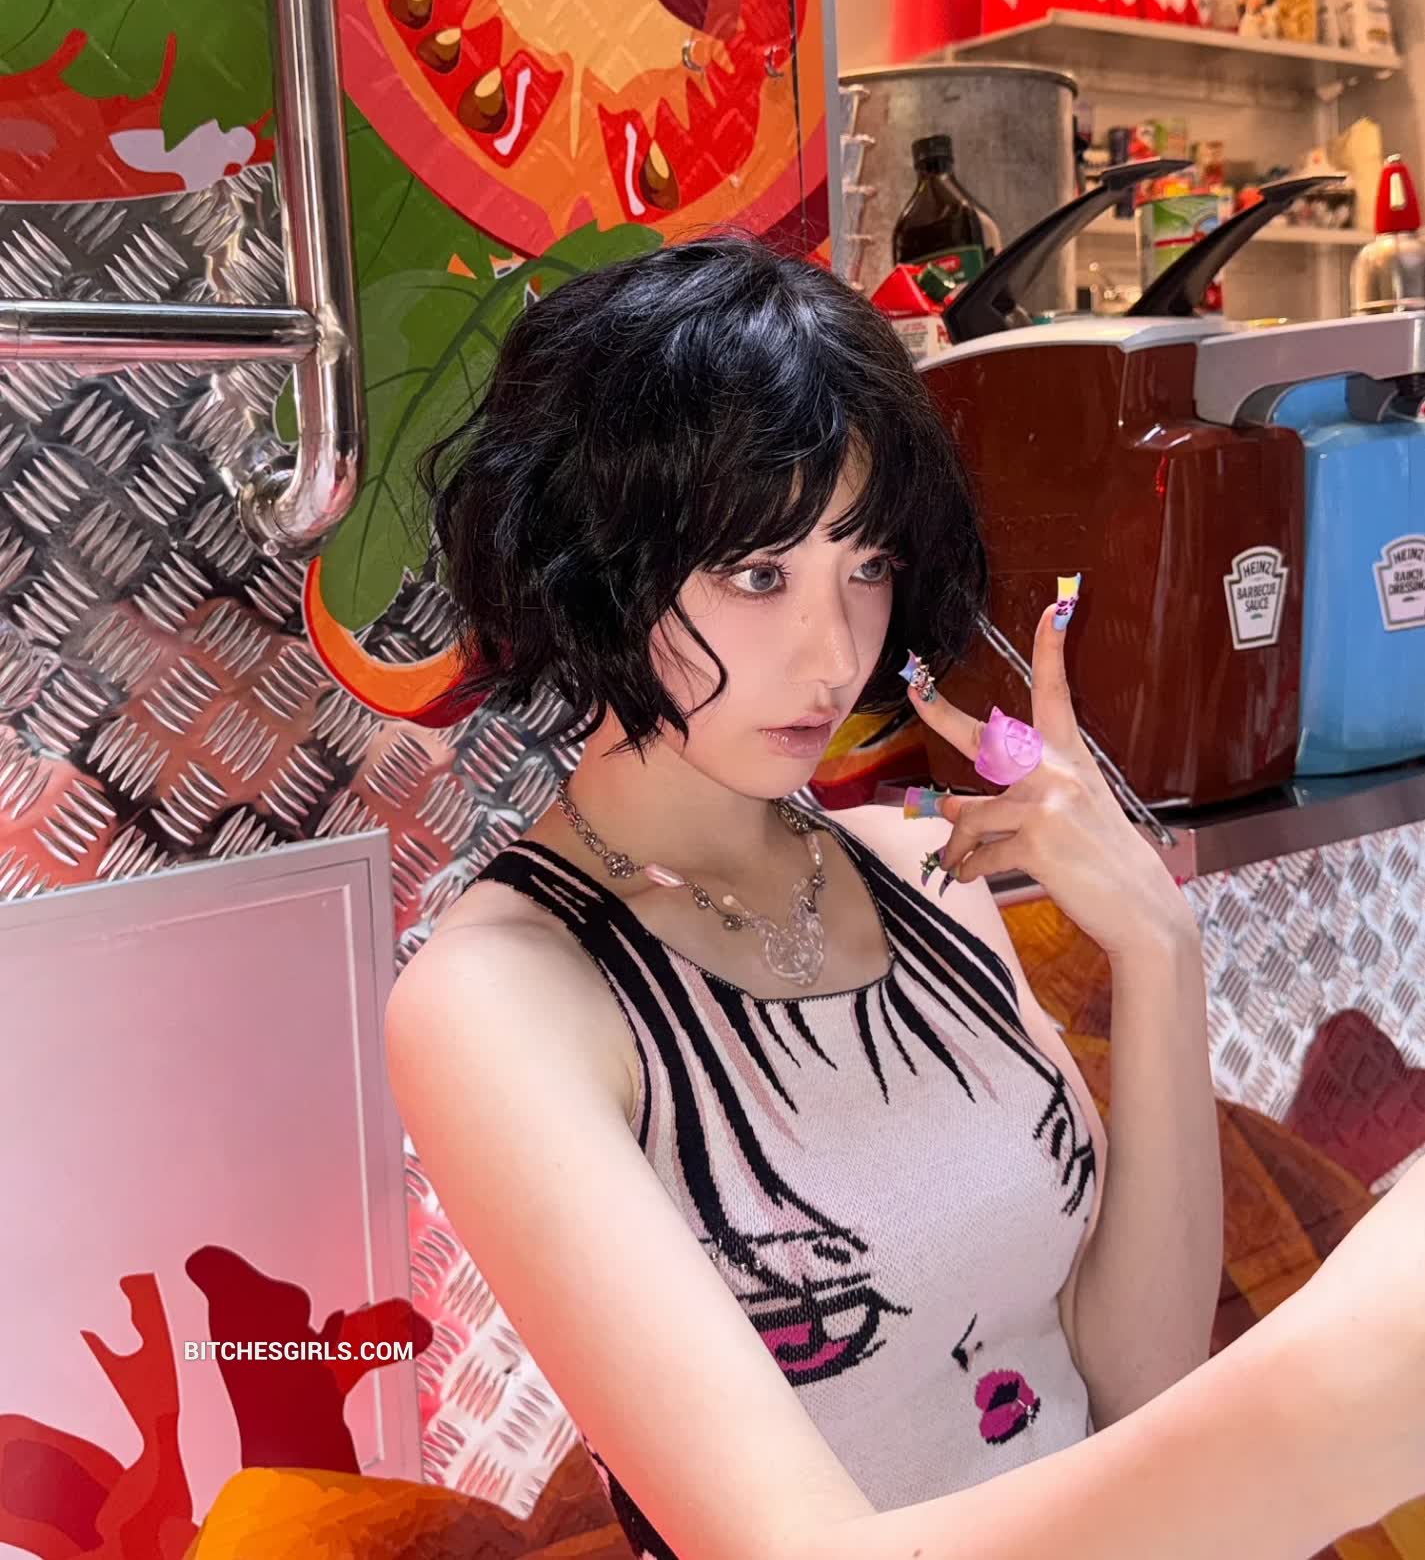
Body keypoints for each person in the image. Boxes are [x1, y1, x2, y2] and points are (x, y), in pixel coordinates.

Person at [385, 233, 1425, 1560]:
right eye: (758, 574)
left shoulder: (921, 869)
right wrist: (1320, 1415)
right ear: (594, 563)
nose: (833, 653)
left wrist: (1160, 948)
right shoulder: (499, 999)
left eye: (866, 564)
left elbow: (1131, 1383)